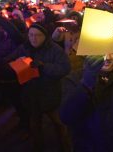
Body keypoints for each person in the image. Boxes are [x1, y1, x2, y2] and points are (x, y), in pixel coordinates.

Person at [4, 22, 71, 152]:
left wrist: (44, 66)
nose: (34, 38)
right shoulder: (24, 48)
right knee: (35, 126)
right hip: (31, 95)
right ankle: (38, 147)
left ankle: (66, 147)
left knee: (59, 124)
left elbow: (65, 68)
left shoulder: (55, 49)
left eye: (38, 35)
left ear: (45, 36)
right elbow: (10, 59)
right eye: (31, 35)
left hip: (50, 95)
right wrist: (10, 65)